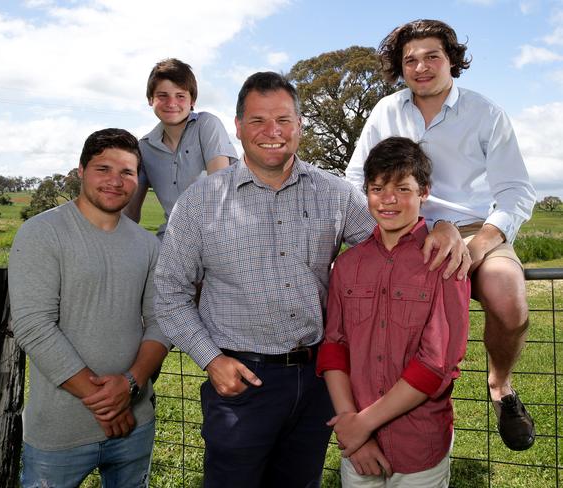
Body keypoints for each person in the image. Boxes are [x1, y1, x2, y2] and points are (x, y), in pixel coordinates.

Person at [153, 72, 465, 488]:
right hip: (240, 382)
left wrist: (445, 225)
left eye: (283, 120)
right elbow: (170, 293)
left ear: (300, 126)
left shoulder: (334, 194)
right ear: (238, 126)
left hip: (315, 379)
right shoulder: (201, 200)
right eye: (258, 121)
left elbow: (393, 230)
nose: (272, 132)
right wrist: (211, 359)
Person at [345, 19, 537, 451]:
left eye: (432, 55)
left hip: (474, 230)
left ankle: (501, 385)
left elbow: (515, 191)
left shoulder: (485, 112)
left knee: (508, 297)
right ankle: (385, 408)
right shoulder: (385, 112)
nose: (421, 66)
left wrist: (480, 244)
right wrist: (388, 228)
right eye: (410, 59)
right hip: (403, 228)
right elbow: (356, 178)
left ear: (452, 60)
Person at [8, 128, 170, 487]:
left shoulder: (147, 245)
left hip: (135, 421)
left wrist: (130, 385)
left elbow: (161, 320)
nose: (116, 181)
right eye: (103, 169)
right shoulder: (41, 233)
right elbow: (34, 325)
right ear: (81, 171)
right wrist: (108, 402)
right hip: (59, 431)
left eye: (127, 172)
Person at [318, 137, 470, 487]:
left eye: (403, 188)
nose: (388, 200)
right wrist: (350, 424)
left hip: (418, 444)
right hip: (357, 447)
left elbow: (435, 365)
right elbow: (334, 348)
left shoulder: (445, 263)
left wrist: (362, 424)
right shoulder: (347, 265)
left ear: (424, 192)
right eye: (377, 188)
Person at [124, 58, 238, 238]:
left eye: (180, 96)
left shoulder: (207, 125)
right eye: (162, 96)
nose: (171, 103)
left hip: (217, 236)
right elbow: (130, 213)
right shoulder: (144, 148)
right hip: (170, 239)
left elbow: (220, 192)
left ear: (192, 100)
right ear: (150, 99)